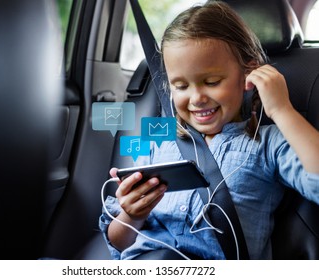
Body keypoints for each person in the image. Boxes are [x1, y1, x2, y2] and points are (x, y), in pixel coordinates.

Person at [99, 0, 319, 260]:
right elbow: (117, 241)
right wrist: (131, 215)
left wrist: (282, 110)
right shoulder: (160, 139)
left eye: (212, 82)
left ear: (247, 73)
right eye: (181, 86)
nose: (196, 98)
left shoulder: (266, 142)